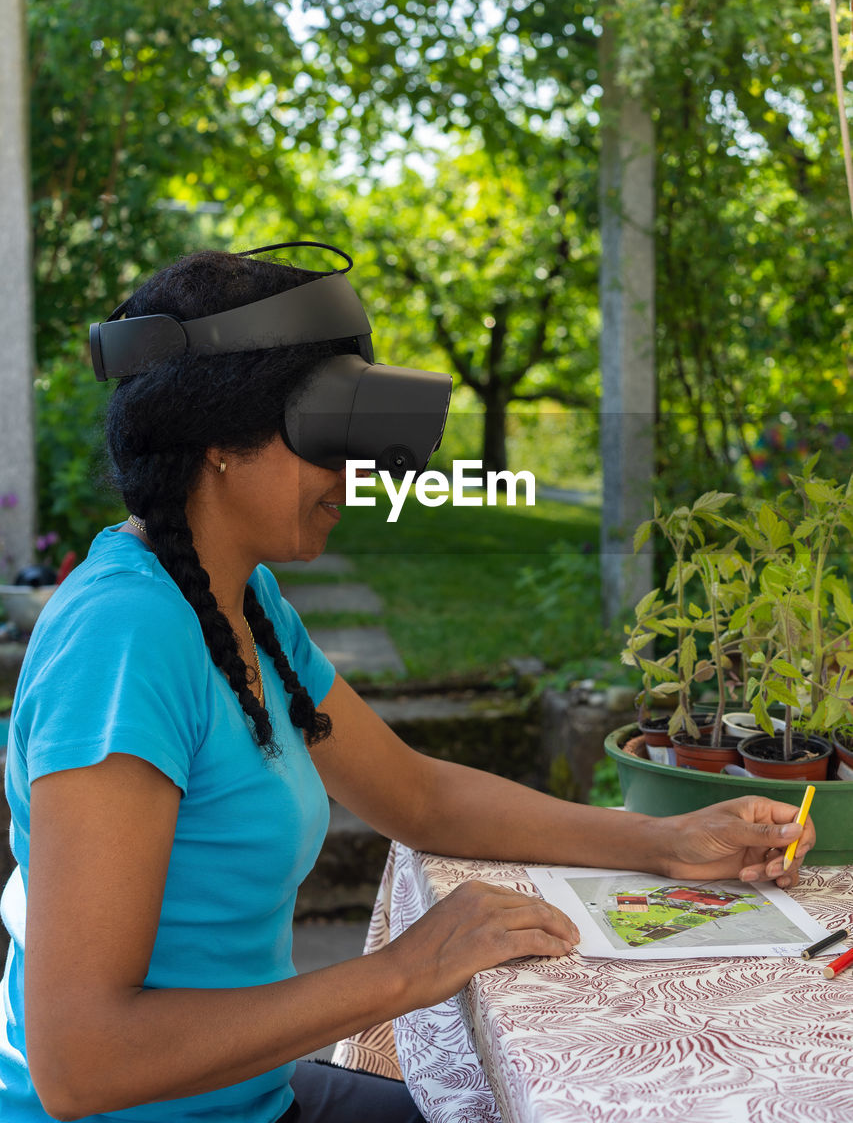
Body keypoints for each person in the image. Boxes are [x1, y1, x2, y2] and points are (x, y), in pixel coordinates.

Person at [0, 246, 815, 1123]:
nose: (360, 473)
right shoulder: (125, 640)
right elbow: (80, 1063)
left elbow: (417, 795)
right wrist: (401, 972)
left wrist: (663, 840)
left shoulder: (236, 599)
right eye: (326, 436)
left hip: (245, 1099)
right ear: (217, 442)